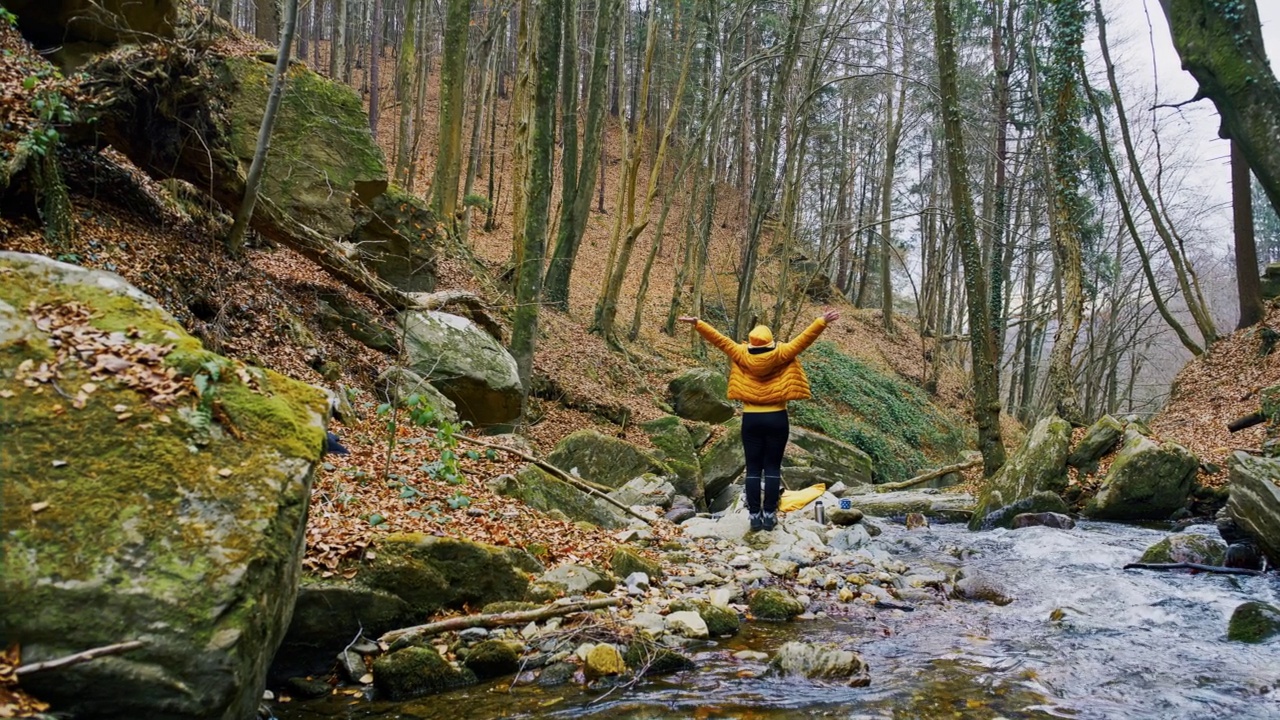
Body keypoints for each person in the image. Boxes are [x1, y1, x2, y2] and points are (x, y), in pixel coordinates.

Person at [678, 309, 840, 531]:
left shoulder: (740, 352)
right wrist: (821, 321)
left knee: (753, 469)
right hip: (777, 417)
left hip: (751, 418)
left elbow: (720, 340)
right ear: (770, 340)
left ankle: (754, 515)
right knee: (772, 467)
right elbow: (804, 340)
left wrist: (699, 323)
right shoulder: (781, 353)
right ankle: (769, 514)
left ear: (751, 341)